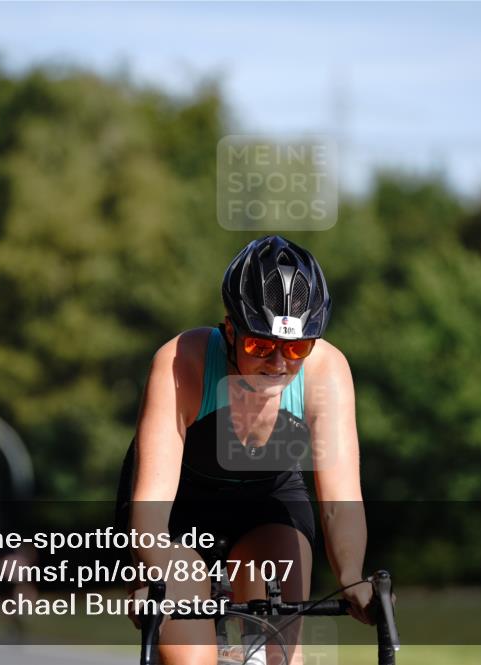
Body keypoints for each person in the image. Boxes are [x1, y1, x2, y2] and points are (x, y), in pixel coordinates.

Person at [115, 235, 372, 665]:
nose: (278, 364)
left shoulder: (327, 372)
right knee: (189, 659)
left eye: (295, 348)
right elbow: (151, 506)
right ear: (230, 330)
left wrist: (350, 577)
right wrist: (151, 573)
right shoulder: (183, 361)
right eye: (259, 346)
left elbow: (340, 500)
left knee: (281, 656)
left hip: (267, 502)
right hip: (180, 509)